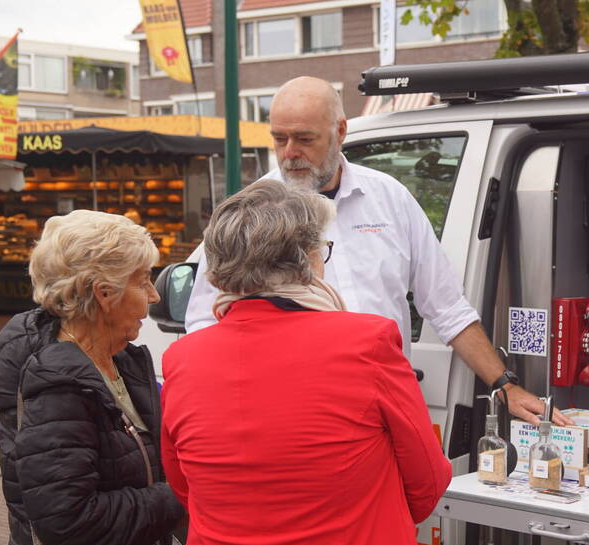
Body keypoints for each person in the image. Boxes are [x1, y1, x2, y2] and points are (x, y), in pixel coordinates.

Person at [161, 180, 453, 545]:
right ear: (309, 261)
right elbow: (427, 480)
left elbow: (187, 487)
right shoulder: (367, 341)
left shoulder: (182, 359)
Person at [185, 76, 569, 426]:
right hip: (291, 413)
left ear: (339, 131)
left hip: (386, 404)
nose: (289, 153)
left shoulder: (389, 198)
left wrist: (504, 384)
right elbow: (203, 324)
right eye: (279, 139)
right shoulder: (249, 212)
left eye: (304, 139)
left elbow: (447, 306)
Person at [0, 210, 185, 545]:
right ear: (104, 292)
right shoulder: (56, 383)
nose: (153, 295)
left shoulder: (119, 359)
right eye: (143, 280)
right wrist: (182, 494)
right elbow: (70, 519)